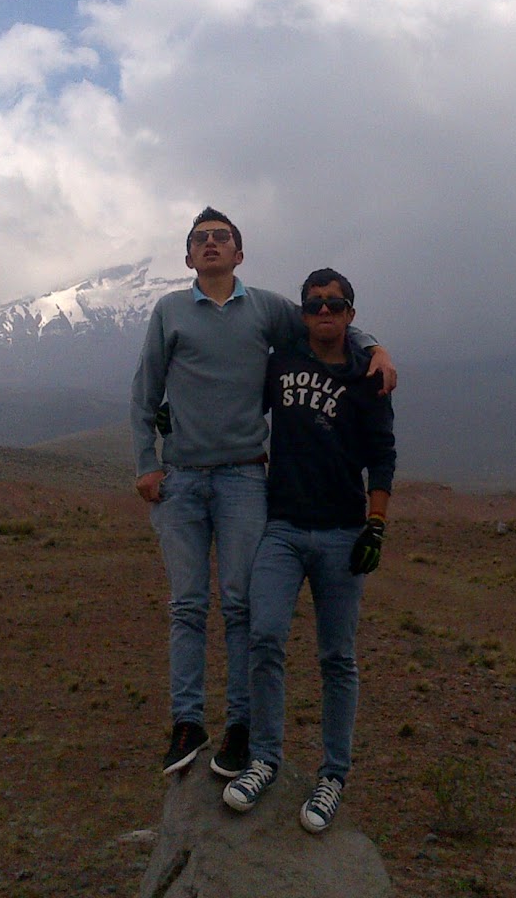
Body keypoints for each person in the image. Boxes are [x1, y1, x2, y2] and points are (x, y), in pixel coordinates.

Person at [131, 210, 395, 777]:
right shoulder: (169, 311)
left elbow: (324, 322)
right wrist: (145, 463)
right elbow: (144, 388)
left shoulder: (267, 309)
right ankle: (187, 721)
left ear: (239, 254)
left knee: (241, 606)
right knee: (187, 605)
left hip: (245, 478)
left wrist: (374, 346)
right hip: (180, 479)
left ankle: (241, 727)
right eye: (200, 239)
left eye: (221, 237)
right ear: (188, 257)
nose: (211, 244)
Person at [221, 268, 395, 834]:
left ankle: (333, 776)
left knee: (336, 657)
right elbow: (235, 400)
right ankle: (264, 758)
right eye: (315, 303)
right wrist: (173, 419)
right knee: (264, 636)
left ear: (350, 313)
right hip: (283, 528)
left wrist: (375, 527)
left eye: (335, 304)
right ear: (302, 313)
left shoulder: (369, 376)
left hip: (343, 532)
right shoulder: (281, 362)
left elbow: (383, 457)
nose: (324, 311)